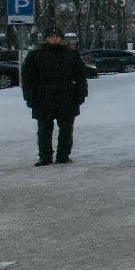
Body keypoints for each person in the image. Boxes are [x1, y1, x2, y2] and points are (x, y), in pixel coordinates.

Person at [20, 26, 87, 166]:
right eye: (51, 36)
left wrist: (81, 94)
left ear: (61, 39)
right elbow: (27, 79)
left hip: (67, 97)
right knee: (44, 129)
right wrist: (29, 97)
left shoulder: (71, 55)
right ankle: (45, 157)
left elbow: (80, 76)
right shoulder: (35, 56)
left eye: (57, 36)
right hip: (43, 98)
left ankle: (63, 156)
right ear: (45, 39)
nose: (55, 39)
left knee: (66, 129)